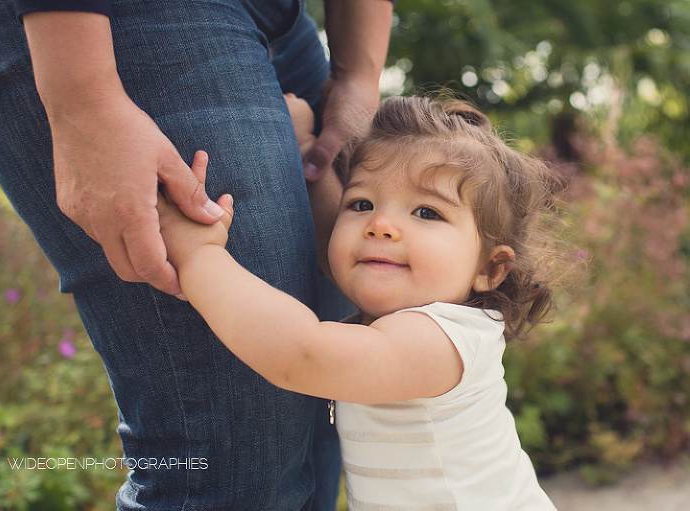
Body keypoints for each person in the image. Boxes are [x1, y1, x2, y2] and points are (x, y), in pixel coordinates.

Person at [0, 0, 392, 509]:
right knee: (229, 467)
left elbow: (309, 355)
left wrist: (360, 76)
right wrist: (85, 96)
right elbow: (299, 350)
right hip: (99, 20)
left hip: (284, 24)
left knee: (318, 424)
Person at [156, 94, 561, 510]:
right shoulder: (402, 311)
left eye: (426, 212)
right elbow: (339, 245)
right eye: (362, 204)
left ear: (491, 269)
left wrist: (198, 256)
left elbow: (303, 355)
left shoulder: (441, 341)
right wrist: (301, 150)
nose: (380, 225)